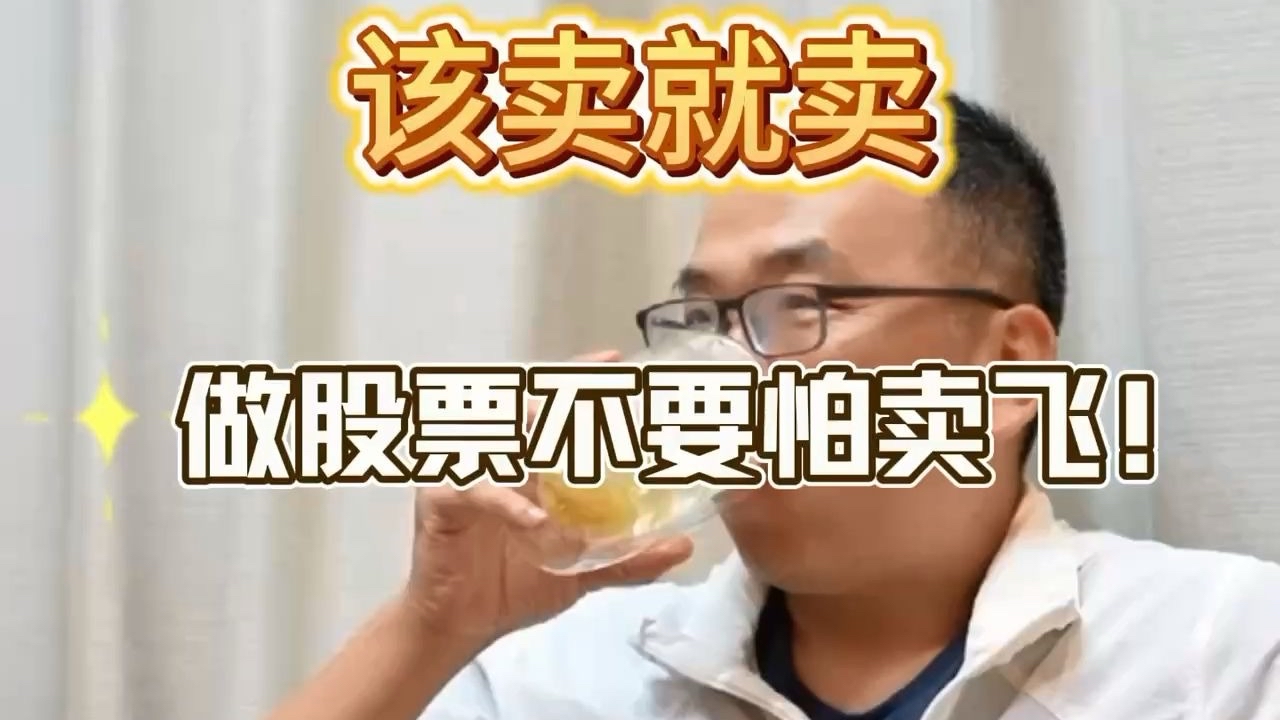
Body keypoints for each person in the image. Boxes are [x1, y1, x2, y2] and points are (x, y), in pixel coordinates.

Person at [269, 94, 1280, 720]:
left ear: (1008, 368)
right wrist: (431, 627)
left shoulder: (1220, 650)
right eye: (701, 318)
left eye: (797, 306)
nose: (718, 375)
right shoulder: (566, 676)